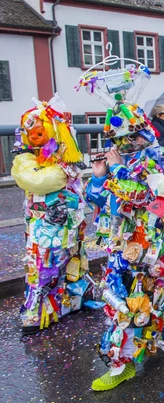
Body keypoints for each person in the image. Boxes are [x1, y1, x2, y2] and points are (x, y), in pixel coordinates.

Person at [76, 64, 164, 391]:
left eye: (123, 136)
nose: (120, 142)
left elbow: (147, 197)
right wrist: (101, 175)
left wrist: (117, 172)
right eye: (114, 138)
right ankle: (144, 347)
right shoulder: (124, 157)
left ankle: (124, 364)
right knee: (133, 301)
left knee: (135, 303)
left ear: (136, 132)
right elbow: (102, 202)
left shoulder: (152, 157)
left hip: (146, 245)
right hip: (124, 243)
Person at [12, 95, 90, 335]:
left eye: (39, 131)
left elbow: (42, 180)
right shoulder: (37, 162)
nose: (35, 137)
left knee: (70, 259)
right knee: (42, 264)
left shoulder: (62, 164)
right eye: (31, 133)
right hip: (44, 225)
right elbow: (34, 181)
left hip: (66, 222)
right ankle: (39, 310)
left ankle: (72, 300)